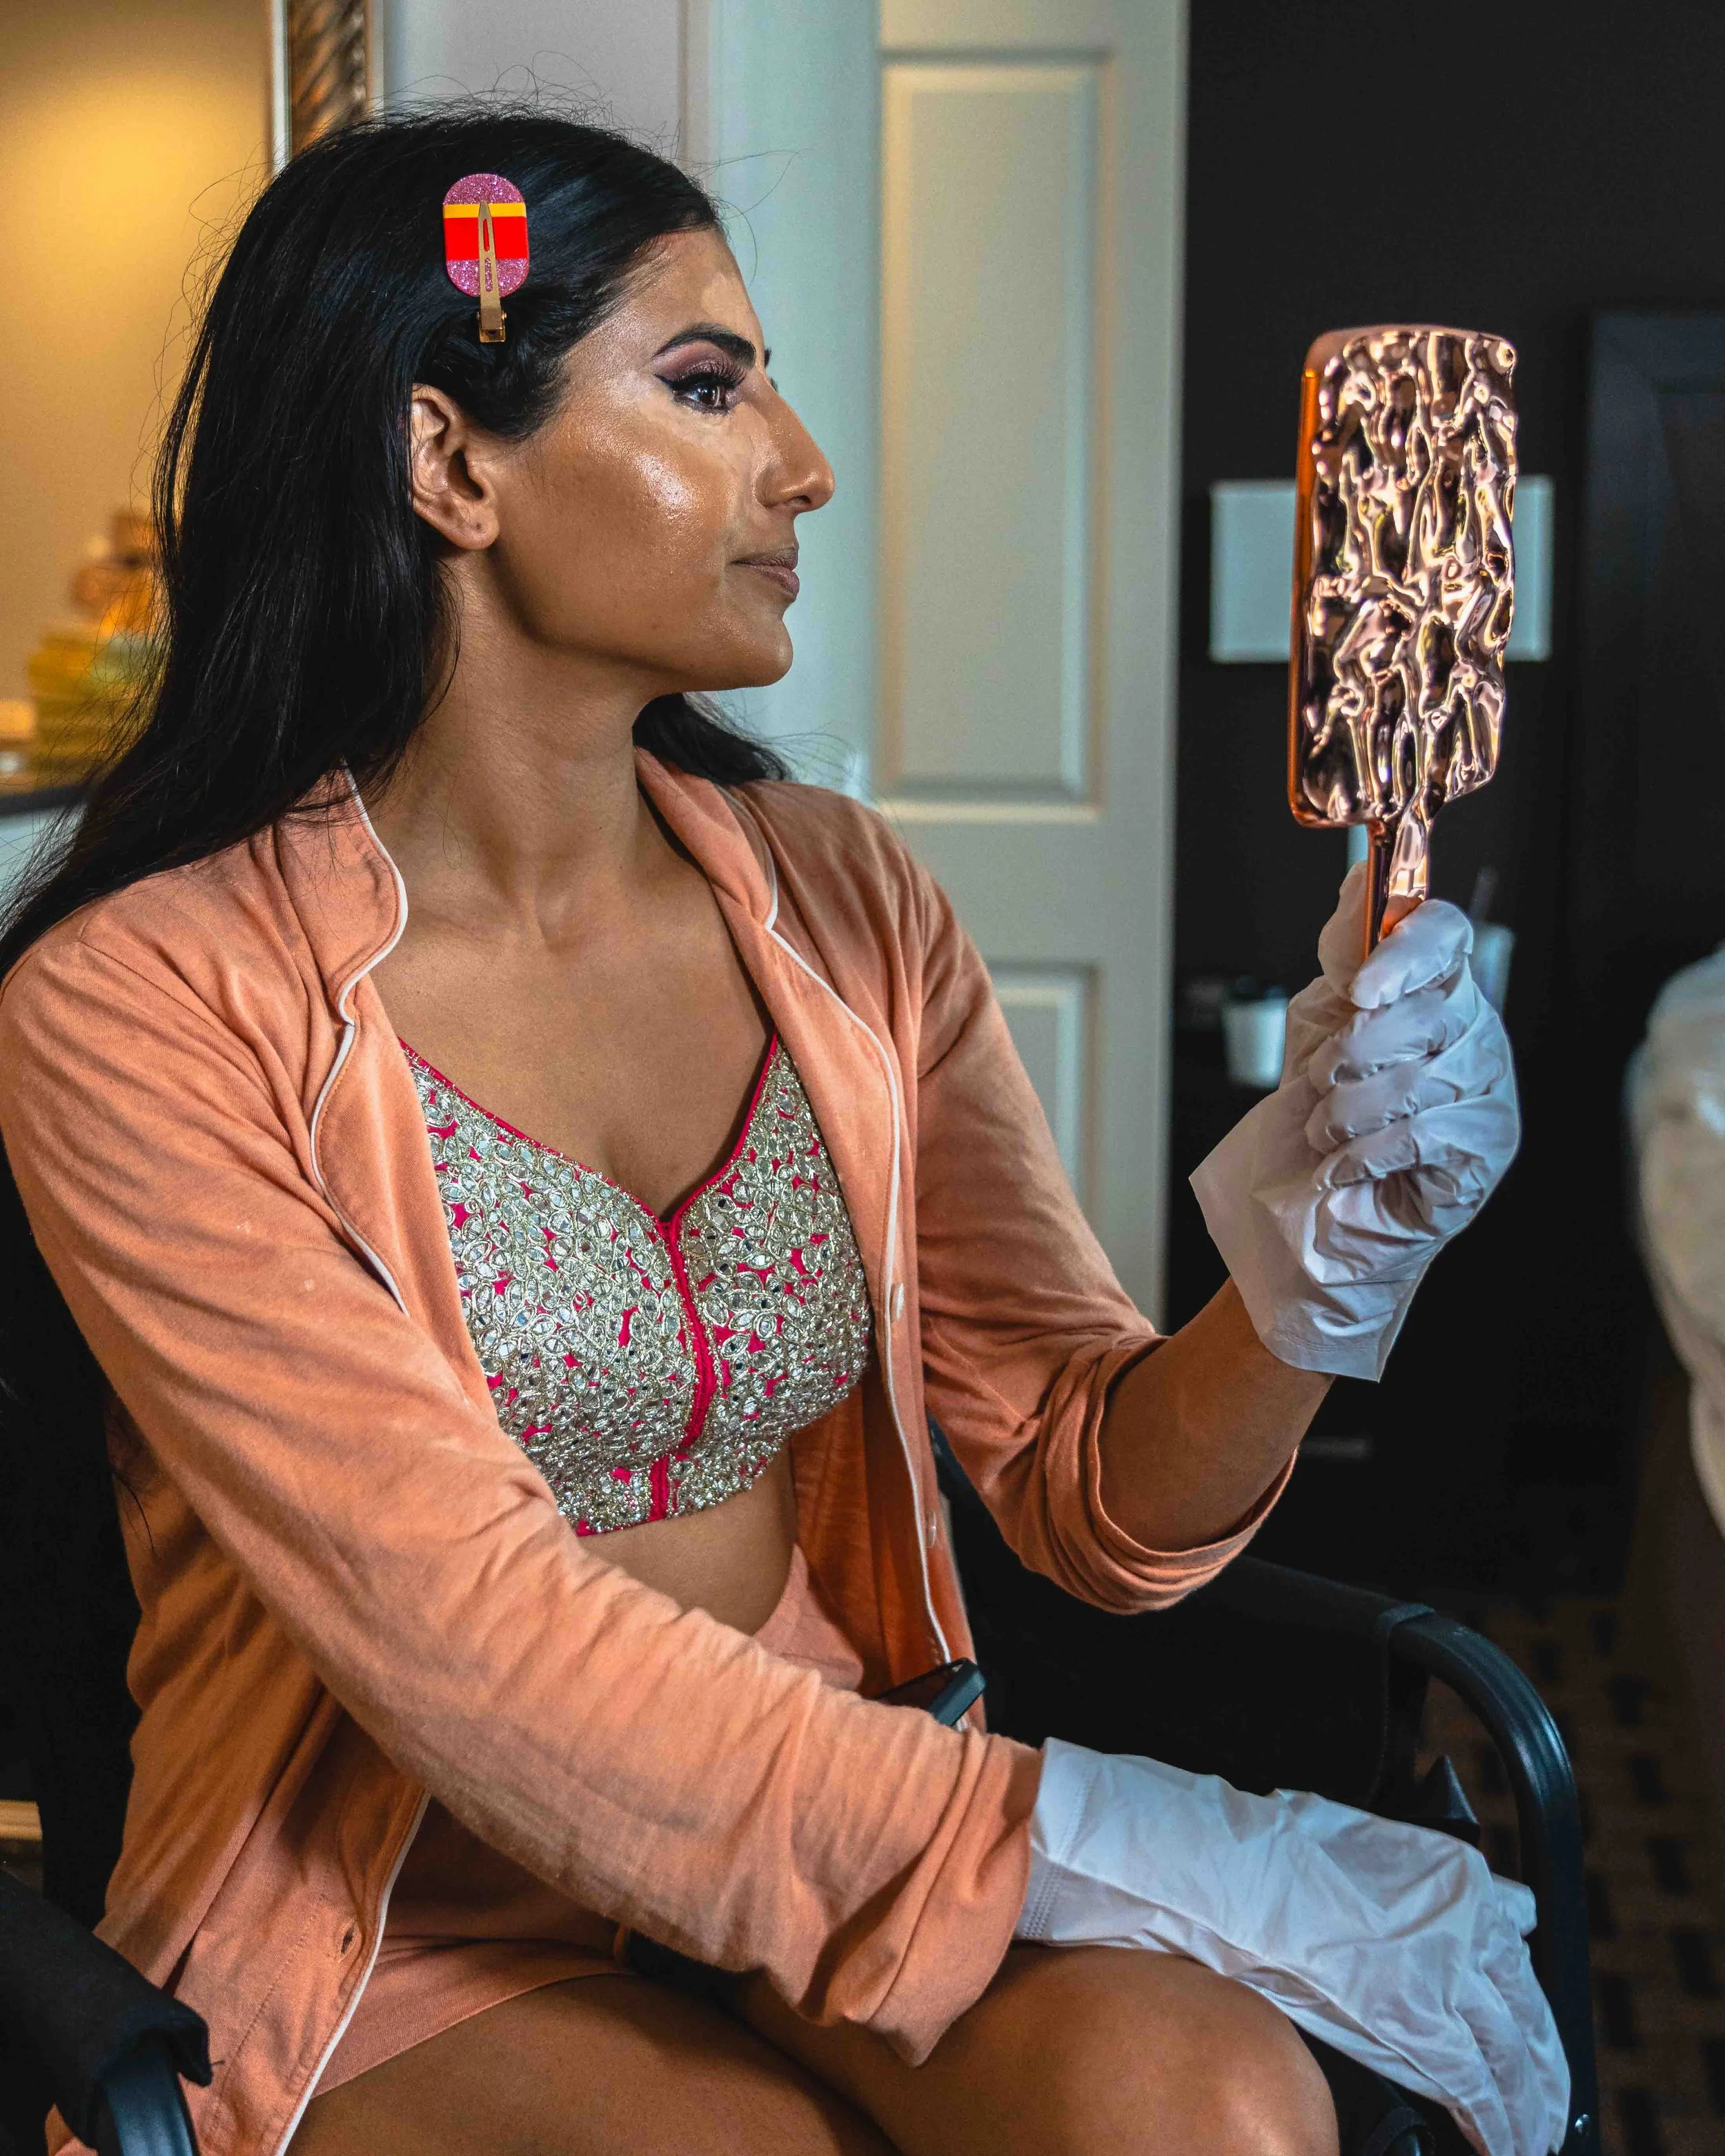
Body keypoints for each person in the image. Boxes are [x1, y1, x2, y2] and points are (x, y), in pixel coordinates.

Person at [0, 109, 1557, 2156]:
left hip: (827, 1816)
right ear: (448, 461)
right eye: (708, 386)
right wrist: (1089, 1833)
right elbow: (473, 1651)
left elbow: (1095, 1492)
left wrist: (1323, 1248)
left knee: (1211, 2103)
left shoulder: (843, 902)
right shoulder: (145, 1000)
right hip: (400, 1897)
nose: (803, 463)